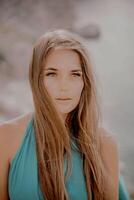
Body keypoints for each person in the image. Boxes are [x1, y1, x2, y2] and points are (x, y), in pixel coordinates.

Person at [0, 29, 119, 200]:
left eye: (75, 74)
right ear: (36, 79)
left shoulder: (105, 143)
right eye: (52, 74)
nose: (64, 86)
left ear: (85, 81)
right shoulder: (6, 136)